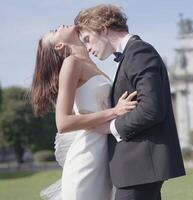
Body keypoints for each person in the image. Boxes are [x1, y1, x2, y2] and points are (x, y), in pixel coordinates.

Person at [74, 4, 186, 200]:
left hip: (141, 168)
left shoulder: (139, 52)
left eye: (87, 39)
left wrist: (110, 127)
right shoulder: (130, 55)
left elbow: (151, 109)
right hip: (135, 171)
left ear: (103, 29)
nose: (88, 48)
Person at [30, 24, 138, 200]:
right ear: (59, 46)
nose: (59, 26)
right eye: (54, 31)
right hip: (86, 157)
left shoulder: (94, 64)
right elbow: (63, 123)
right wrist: (115, 111)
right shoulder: (71, 63)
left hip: (105, 157)